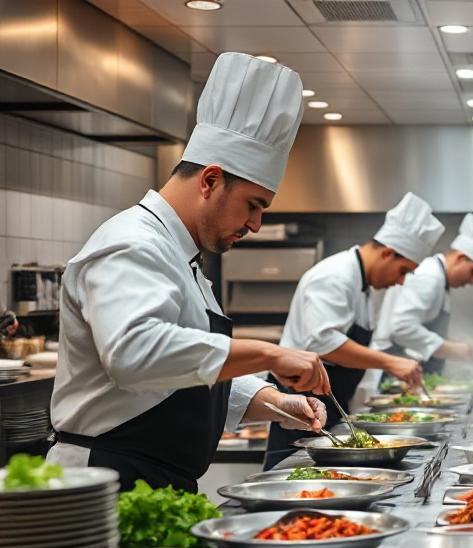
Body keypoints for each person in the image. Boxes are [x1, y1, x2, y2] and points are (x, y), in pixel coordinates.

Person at [48, 53, 331, 492]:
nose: (256, 224)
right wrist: (269, 354)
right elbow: (136, 355)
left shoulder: (183, 258)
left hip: (152, 480)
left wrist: (274, 401)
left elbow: (185, 381)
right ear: (210, 180)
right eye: (253, 205)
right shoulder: (133, 243)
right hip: (104, 482)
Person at [264, 192, 444, 469]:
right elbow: (324, 343)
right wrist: (390, 362)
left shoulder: (363, 286)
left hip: (329, 406)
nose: (400, 282)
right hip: (300, 410)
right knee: (298, 482)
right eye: (403, 271)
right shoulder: (335, 276)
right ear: (387, 253)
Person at [374, 213, 473, 376]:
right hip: (393, 369)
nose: (472, 281)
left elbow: (421, 325)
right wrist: (451, 349)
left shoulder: (439, 277)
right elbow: (401, 327)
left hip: (407, 369)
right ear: (460, 258)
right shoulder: (429, 277)